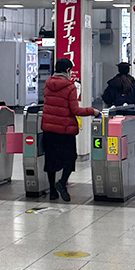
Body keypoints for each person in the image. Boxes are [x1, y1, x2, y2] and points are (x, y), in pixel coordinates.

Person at [42, 58, 100, 201]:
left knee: (51, 160)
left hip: (49, 129)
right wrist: (92, 111)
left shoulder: (48, 83)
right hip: (64, 130)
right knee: (70, 158)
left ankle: (52, 191)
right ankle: (62, 183)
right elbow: (75, 110)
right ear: (68, 70)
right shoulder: (70, 87)